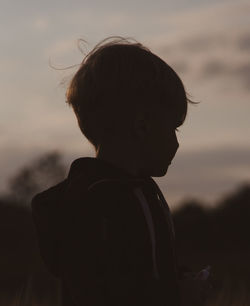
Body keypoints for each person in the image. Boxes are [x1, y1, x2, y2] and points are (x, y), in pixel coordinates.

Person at [31, 36, 212, 306]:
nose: (176, 142)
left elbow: (145, 269)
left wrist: (179, 279)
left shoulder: (138, 191)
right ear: (142, 126)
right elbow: (108, 291)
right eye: (173, 128)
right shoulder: (97, 204)